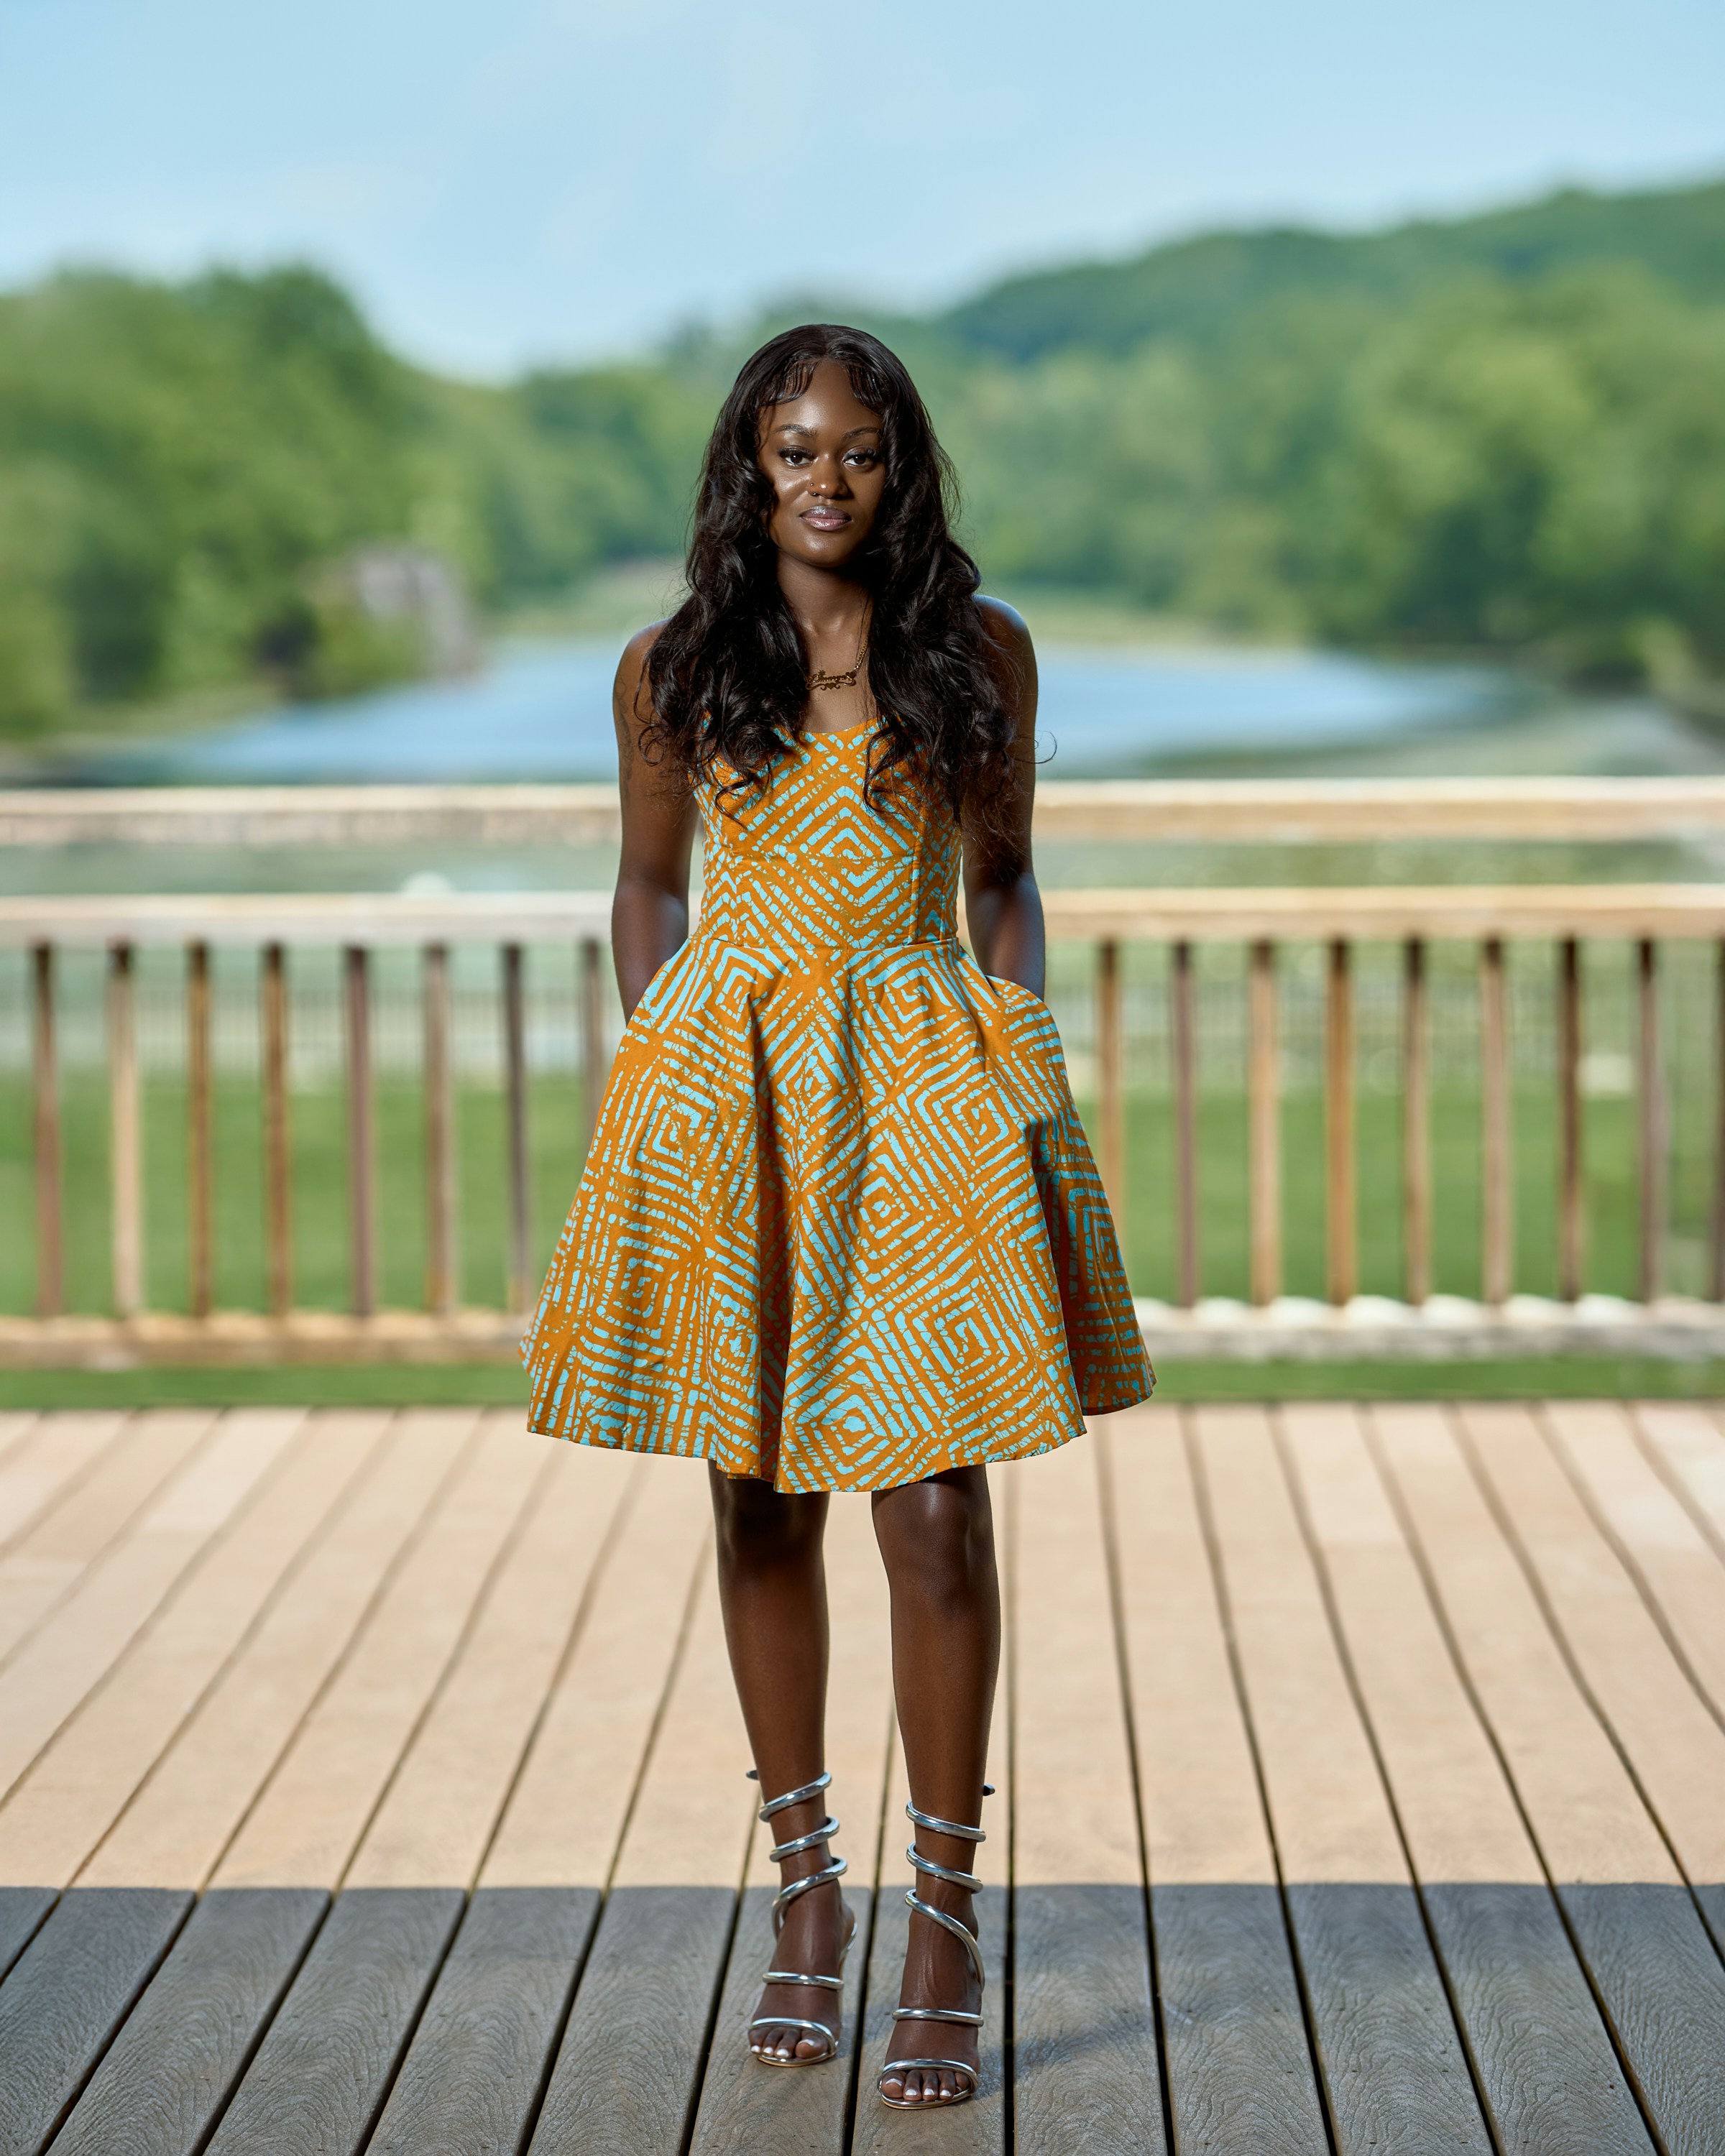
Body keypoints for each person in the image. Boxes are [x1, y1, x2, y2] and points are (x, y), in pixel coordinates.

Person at [522, 323, 1151, 2109]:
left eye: (859, 452)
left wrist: (1013, 1043)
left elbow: (1007, 877)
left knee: (938, 1508)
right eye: (795, 450)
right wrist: (669, 1052)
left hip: (929, 1085)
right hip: (740, 1100)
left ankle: (942, 1914)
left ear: (902, 468)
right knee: (761, 1492)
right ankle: (810, 1896)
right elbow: (646, 890)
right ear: (750, 465)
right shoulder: (672, 666)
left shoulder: (983, 652)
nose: (826, 480)